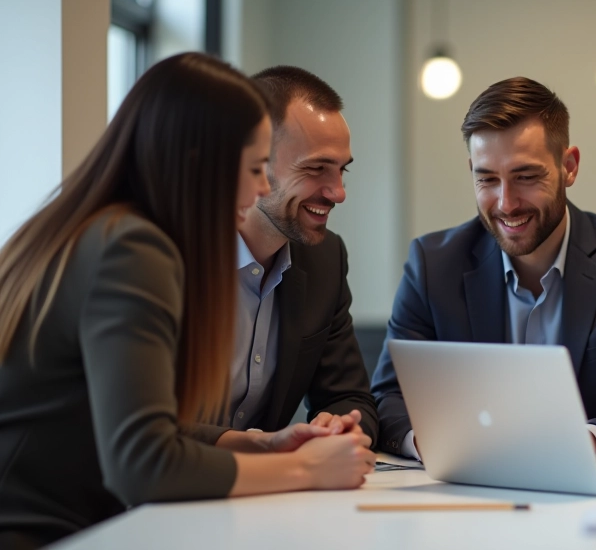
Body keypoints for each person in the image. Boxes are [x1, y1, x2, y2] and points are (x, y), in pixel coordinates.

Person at [0, 53, 375, 550]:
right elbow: (144, 463)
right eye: (254, 167)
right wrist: (305, 468)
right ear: (201, 162)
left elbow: (128, 424)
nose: (262, 186)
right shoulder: (134, 247)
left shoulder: (98, 228)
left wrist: (261, 443)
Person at [372, 77, 596, 465]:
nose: (506, 203)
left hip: (589, 497)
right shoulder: (432, 264)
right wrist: (434, 444)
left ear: (569, 167)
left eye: (525, 177)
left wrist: (577, 445)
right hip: (464, 491)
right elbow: (387, 399)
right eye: (487, 179)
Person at [213, 65, 377, 444]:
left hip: (268, 495)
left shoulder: (325, 259)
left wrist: (340, 427)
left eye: (341, 171)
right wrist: (267, 449)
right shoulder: (173, 254)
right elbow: (151, 429)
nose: (338, 192)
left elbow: (349, 397)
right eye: (316, 169)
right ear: (253, 161)